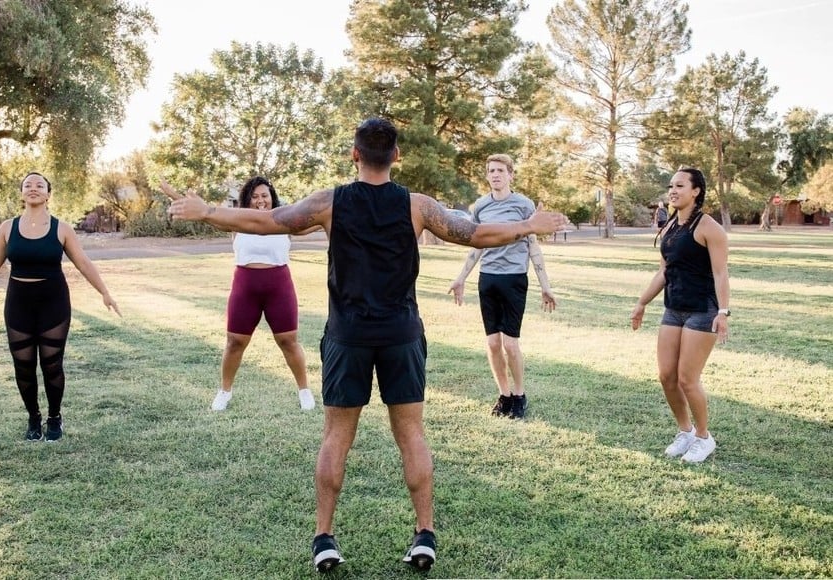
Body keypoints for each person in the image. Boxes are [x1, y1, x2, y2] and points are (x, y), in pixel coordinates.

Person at [161, 117, 570, 573]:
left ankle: (324, 539)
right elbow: (473, 234)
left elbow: (269, 221)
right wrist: (528, 225)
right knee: (411, 433)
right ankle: (425, 534)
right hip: (401, 335)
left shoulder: (329, 203)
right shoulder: (418, 206)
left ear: (354, 154)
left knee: (337, 434)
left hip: (347, 337)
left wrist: (207, 211)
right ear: (396, 156)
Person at [0, 172, 121, 442]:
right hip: (18, 304)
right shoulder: (7, 228)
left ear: (48, 194)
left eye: (39, 185)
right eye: (28, 185)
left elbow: (83, 262)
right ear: (22, 193)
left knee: (51, 365)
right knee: (23, 366)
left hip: (54, 303)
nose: (33, 188)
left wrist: (104, 292)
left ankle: (54, 418)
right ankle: (33, 418)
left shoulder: (62, 228)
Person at [629, 167, 729, 464]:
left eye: (680, 186)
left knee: (688, 378)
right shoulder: (670, 228)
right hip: (673, 309)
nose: (673, 190)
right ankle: (684, 432)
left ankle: (703, 437)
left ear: (696, 191)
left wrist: (723, 312)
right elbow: (664, 272)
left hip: (703, 310)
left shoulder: (709, 227)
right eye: (671, 186)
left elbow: (721, 273)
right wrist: (641, 303)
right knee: (666, 376)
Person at [448, 154, 556, 420]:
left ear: (511, 175)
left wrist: (546, 286)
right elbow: (476, 245)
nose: (495, 174)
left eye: (500, 170)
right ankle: (504, 395)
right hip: (488, 278)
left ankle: (519, 396)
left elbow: (533, 246)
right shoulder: (481, 206)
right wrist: (461, 277)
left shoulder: (523, 204)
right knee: (493, 343)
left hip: (514, 279)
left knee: (510, 343)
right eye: (490, 171)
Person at [210, 175, 315, 412]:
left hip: (279, 285)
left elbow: (315, 221)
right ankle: (224, 391)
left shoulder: (284, 220)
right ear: (247, 200)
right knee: (234, 342)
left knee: (288, 341)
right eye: (255, 196)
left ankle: (304, 391)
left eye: (264, 196)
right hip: (245, 285)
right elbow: (210, 215)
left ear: (272, 198)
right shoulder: (238, 222)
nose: (260, 201)